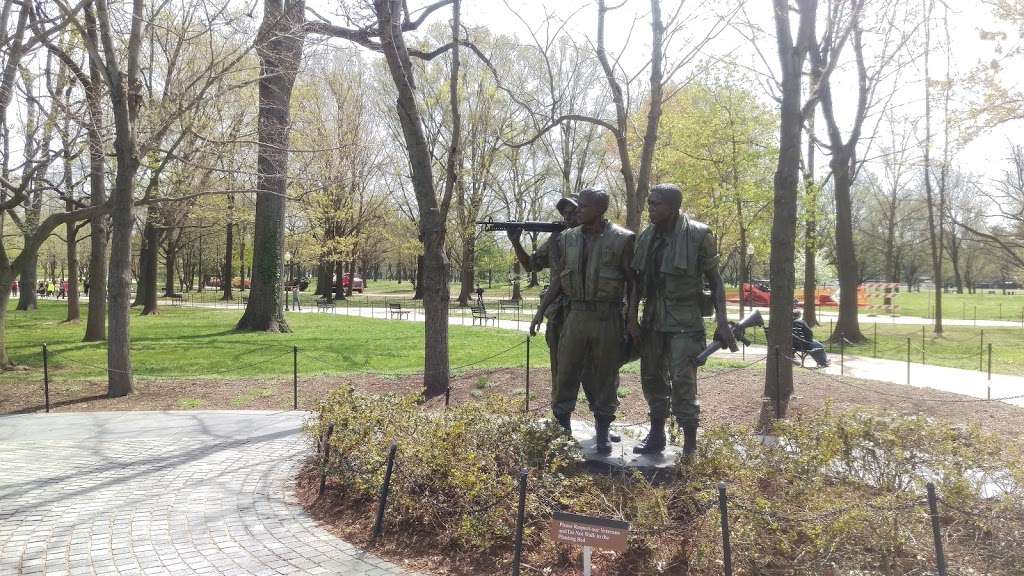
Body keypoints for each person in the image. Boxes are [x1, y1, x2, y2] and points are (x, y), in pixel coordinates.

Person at [531, 189, 639, 455]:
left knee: (605, 374)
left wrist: (632, 319)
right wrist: (540, 311)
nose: (577, 210)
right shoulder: (567, 239)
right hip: (575, 316)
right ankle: (562, 429)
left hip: (607, 316)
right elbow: (558, 279)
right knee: (565, 371)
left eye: (583, 206)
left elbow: (634, 283)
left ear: (599, 209)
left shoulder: (623, 239)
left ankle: (602, 431)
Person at [631, 184, 736, 456]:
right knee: (652, 378)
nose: (650, 208)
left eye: (656, 204)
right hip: (653, 319)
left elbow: (716, 281)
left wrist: (722, 322)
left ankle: (690, 445)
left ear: (673, 207)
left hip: (685, 322)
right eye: (650, 203)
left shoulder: (698, 235)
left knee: (683, 381)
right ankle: (656, 435)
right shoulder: (646, 238)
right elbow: (636, 282)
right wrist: (631, 318)